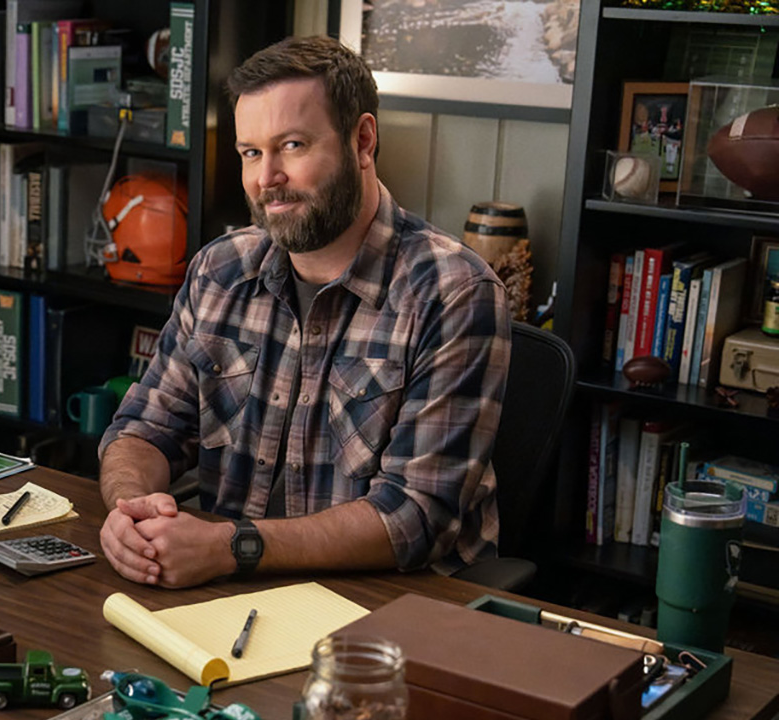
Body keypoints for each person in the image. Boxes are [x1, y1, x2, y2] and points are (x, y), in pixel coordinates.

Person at [97, 36, 510, 588]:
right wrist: (131, 511)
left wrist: (231, 546)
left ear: (363, 141)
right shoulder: (220, 271)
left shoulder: (452, 292)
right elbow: (144, 429)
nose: (266, 177)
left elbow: (415, 517)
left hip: (393, 607)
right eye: (250, 153)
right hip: (230, 586)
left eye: (292, 145)